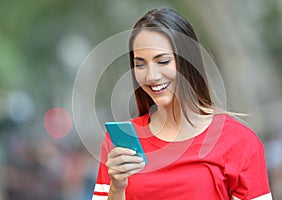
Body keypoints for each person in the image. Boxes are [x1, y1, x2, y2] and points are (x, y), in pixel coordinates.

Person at [92, 7, 272, 200]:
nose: (151, 76)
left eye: (163, 61)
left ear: (189, 61)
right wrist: (117, 188)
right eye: (140, 64)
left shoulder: (239, 141)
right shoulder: (121, 143)